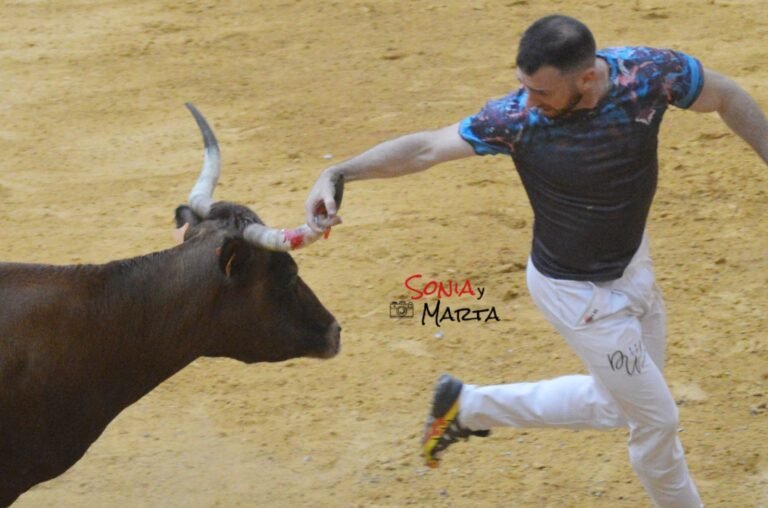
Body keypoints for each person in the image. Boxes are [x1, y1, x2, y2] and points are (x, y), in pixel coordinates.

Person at [303, 14, 768, 508]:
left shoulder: (647, 76)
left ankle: (469, 406)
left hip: (632, 264)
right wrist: (339, 172)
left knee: (617, 405)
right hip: (578, 296)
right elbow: (425, 149)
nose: (529, 101)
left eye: (542, 91)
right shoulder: (516, 120)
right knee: (656, 420)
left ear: (587, 78)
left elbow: (727, 97)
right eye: (523, 87)